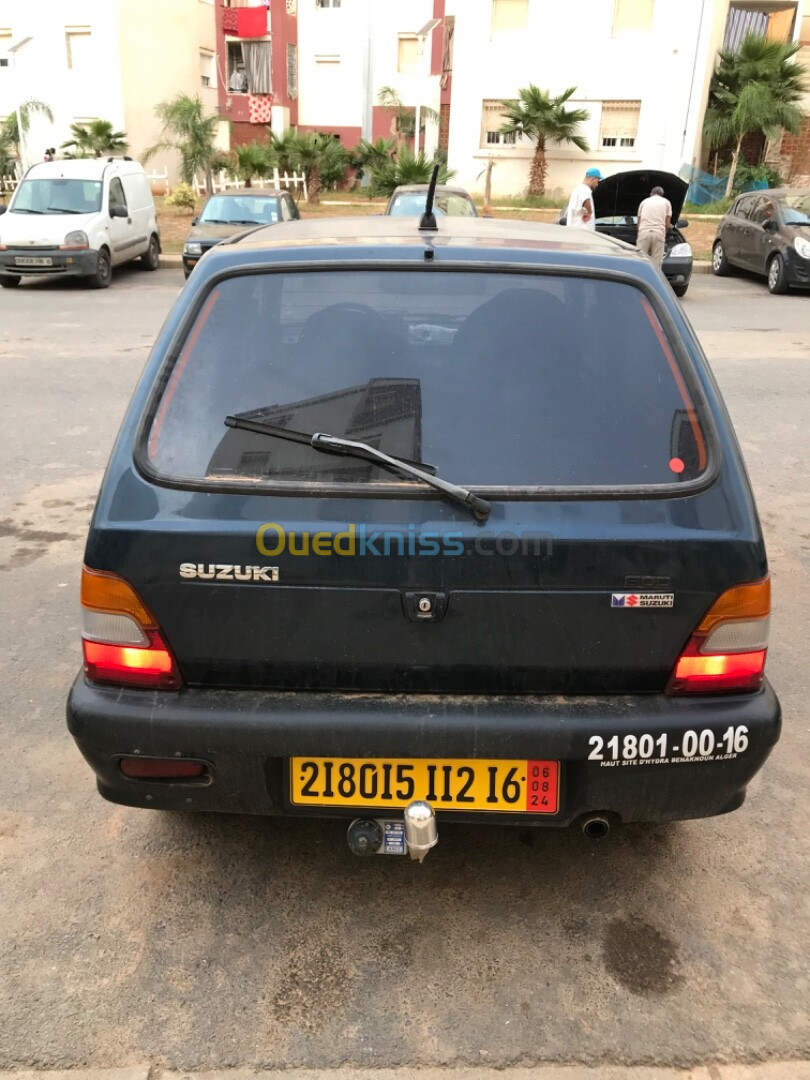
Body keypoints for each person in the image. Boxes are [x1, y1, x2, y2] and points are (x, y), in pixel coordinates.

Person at [636, 185, 672, 266]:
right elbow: (667, 224)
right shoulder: (666, 202)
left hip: (644, 233)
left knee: (640, 261)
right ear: (662, 194)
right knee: (656, 263)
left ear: (651, 193)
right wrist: (663, 233)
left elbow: (639, 223)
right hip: (658, 233)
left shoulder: (644, 202)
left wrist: (641, 232)